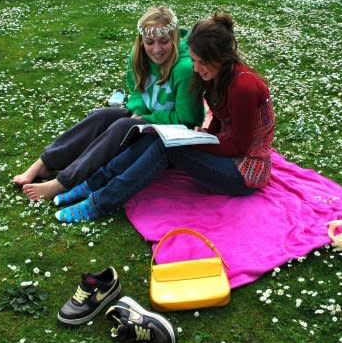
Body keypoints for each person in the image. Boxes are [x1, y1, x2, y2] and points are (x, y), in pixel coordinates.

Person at [53, 12, 275, 223]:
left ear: (218, 58)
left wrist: (198, 143)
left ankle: (100, 203)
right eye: (194, 61)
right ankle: (92, 183)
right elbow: (220, 119)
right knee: (156, 136)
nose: (195, 69)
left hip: (244, 172)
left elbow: (239, 146)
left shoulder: (244, 86)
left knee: (168, 146)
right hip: (224, 155)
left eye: (199, 62)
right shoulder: (217, 75)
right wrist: (204, 135)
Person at [17, 6, 203, 201]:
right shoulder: (139, 57)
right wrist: (138, 111)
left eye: (164, 41)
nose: (156, 49)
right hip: (145, 120)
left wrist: (147, 118)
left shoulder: (184, 69)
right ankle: (45, 163)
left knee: (122, 125)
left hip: (170, 136)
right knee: (102, 115)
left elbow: (187, 119)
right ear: (142, 41)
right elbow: (136, 93)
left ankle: (63, 182)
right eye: (149, 42)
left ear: (173, 38)